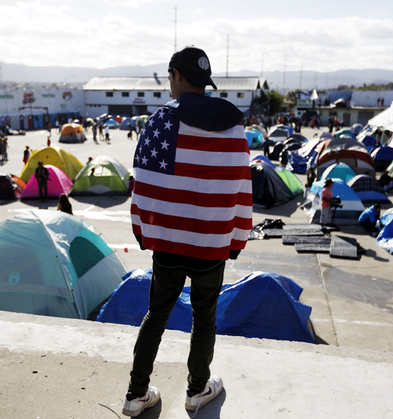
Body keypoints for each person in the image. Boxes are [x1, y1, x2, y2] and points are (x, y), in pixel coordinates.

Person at [123, 46, 252, 417]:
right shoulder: (236, 127)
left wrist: (144, 234)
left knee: (156, 315)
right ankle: (197, 392)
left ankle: (136, 394)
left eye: (169, 77)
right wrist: (236, 242)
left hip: (168, 244)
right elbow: (243, 190)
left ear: (176, 75)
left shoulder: (161, 122)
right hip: (212, 246)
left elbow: (143, 185)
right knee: (205, 319)